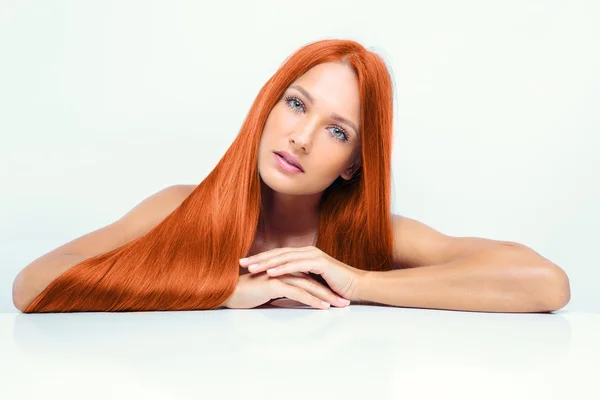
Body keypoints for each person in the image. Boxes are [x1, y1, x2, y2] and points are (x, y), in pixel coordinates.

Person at [13, 38, 396, 313]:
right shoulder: (182, 207)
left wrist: (356, 282)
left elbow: (461, 279)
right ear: (267, 105)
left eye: (337, 131)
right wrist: (219, 289)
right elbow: (31, 284)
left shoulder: (369, 234)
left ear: (354, 164)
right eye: (296, 104)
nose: (301, 138)